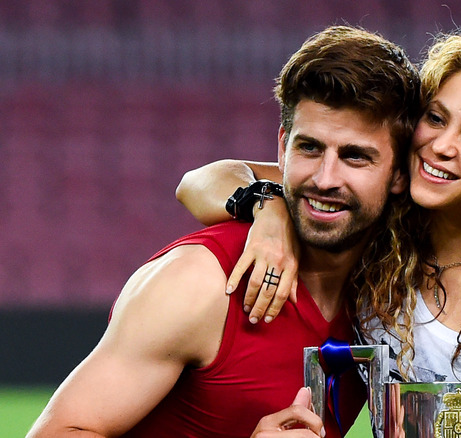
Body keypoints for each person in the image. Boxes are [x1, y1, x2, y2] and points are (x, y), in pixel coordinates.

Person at [177, 25, 461, 437]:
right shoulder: (374, 230)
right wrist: (269, 208)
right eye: (435, 118)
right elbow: (201, 182)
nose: (440, 145)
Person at [27, 25, 420, 438]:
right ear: (282, 147)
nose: (325, 178)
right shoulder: (199, 283)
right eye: (309, 148)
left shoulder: (388, 283)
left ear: (398, 173)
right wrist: (266, 206)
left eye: (355, 157)